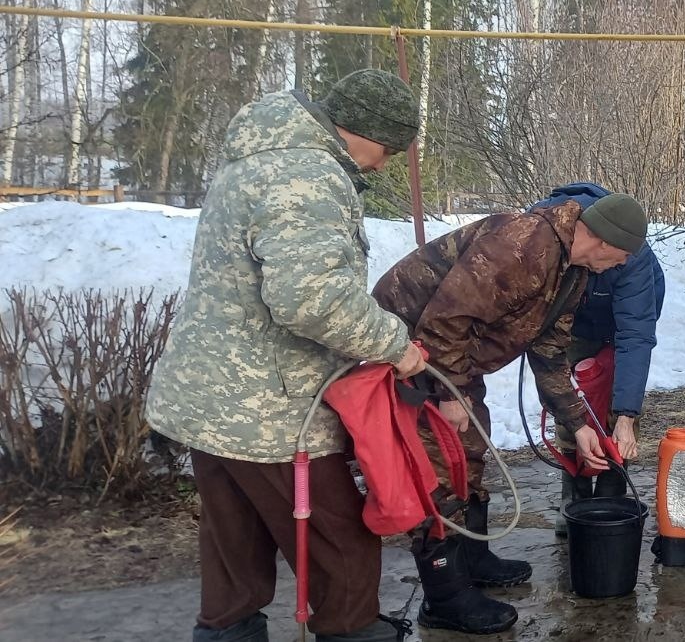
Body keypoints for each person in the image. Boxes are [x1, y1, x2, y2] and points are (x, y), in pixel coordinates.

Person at [144, 69, 427, 642]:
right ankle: (352, 632)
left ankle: (227, 631)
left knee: (234, 545)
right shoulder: (308, 174)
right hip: (270, 409)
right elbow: (311, 299)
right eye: (389, 150)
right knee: (340, 546)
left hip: (210, 399)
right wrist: (395, 346)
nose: (384, 165)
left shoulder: (257, 158)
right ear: (364, 130)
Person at [371, 192, 649, 634]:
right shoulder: (525, 243)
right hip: (412, 353)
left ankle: (473, 557)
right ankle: (445, 597)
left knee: (470, 447)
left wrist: (578, 424)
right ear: (605, 242)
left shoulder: (572, 271)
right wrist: (450, 393)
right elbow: (446, 318)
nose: (622, 265)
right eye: (623, 256)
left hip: (451, 360)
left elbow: (550, 352)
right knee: (440, 465)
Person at [529, 182, 665, 535]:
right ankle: (574, 496)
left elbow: (636, 336)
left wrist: (627, 416)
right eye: (615, 259)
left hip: (622, 323)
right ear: (600, 243)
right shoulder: (546, 236)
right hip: (570, 324)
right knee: (572, 398)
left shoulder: (632, 257)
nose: (619, 262)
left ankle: (612, 492)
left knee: (619, 406)